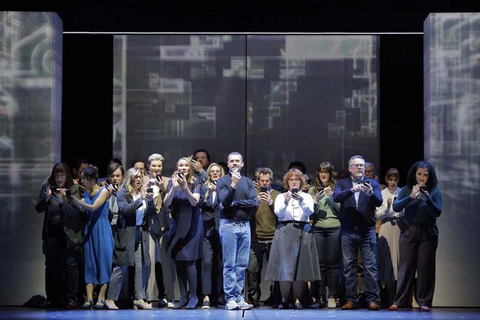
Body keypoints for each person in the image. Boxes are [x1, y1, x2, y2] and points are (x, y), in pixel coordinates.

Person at [389, 161, 442, 312]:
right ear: (414, 174)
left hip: (427, 233)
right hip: (409, 231)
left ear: (429, 176)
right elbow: (396, 206)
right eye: (419, 174)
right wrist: (411, 197)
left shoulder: (434, 191)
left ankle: (424, 301)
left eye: (425, 175)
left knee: (425, 268)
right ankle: (400, 300)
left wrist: (428, 200)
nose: (422, 177)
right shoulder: (407, 189)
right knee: (406, 267)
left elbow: (438, 211)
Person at [332, 155, 382, 310]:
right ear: (350, 168)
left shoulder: (372, 183)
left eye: (361, 165)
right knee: (349, 267)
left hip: (367, 231)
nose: (360, 168)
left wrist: (370, 194)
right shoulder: (342, 183)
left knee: (370, 267)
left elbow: (379, 201)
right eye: (356, 165)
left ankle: (372, 299)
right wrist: (351, 190)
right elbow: (336, 197)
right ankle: (351, 299)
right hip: (348, 231)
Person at [265, 169, 319, 310]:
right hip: (285, 231)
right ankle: (284, 299)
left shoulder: (306, 197)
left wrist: (300, 201)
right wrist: (287, 201)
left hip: (302, 230)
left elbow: (310, 212)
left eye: (296, 179)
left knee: (299, 269)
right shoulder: (282, 196)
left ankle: (297, 299)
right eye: (291, 179)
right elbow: (278, 213)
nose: (294, 181)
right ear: (287, 182)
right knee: (285, 269)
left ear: (300, 182)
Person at [104, 167, 157, 310]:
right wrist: (141, 200)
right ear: (130, 179)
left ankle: (139, 298)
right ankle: (110, 298)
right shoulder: (123, 193)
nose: (139, 180)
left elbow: (151, 214)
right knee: (121, 266)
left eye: (140, 177)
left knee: (141, 266)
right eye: (136, 177)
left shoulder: (142, 193)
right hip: (127, 232)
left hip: (141, 231)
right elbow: (125, 210)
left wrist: (150, 201)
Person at [35, 163, 84, 309]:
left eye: (62, 175)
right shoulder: (47, 188)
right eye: (56, 175)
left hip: (69, 233)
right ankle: (52, 298)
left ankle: (71, 298)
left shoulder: (73, 189)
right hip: (52, 233)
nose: (59, 178)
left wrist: (63, 202)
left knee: (70, 265)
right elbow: (38, 208)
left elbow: (76, 212)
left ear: (67, 176)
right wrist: (46, 199)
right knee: (51, 266)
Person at [217, 152, 258, 310]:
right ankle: (230, 298)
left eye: (237, 161)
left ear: (242, 164)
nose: (234, 163)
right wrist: (233, 185)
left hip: (245, 226)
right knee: (230, 265)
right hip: (229, 226)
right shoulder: (222, 181)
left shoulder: (248, 182)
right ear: (228, 164)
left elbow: (254, 203)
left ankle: (239, 296)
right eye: (231, 161)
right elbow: (225, 203)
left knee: (242, 264)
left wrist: (236, 202)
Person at [70, 165, 114, 310]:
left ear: (92, 179)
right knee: (89, 263)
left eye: (84, 178)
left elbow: (94, 207)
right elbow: (84, 209)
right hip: (90, 229)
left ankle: (101, 297)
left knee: (103, 262)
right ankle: (89, 298)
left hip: (102, 228)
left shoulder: (104, 191)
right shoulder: (86, 195)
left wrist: (78, 201)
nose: (82, 181)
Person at [164, 157, 204, 309]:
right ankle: (183, 296)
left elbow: (195, 201)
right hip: (177, 223)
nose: (183, 168)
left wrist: (185, 187)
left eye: (186, 165)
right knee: (178, 259)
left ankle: (193, 296)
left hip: (193, 224)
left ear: (190, 168)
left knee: (189, 260)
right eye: (180, 165)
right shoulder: (171, 182)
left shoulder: (196, 182)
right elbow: (167, 204)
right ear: (177, 167)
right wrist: (174, 188)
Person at [141, 153, 175, 308]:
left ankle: (167, 296)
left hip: (164, 225)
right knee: (149, 261)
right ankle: (147, 297)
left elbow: (170, 202)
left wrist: (163, 189)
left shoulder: (167, 181)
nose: (156, 168)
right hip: (148, 225)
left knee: (164, 262)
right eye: (153, 165)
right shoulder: (143, 181)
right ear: (149, 166)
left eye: (159, 166)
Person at [308, 162, 341, 309]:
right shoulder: (312, 190)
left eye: (326, 172)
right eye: (321, 171)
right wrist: (316, 200)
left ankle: (332, 296)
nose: (323, 174)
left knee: (333, 263)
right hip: (318, 229)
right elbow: (309, 213)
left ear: (330, 174)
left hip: (335, 228)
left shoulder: (337, 189)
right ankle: (320, 296)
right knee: (320, 263)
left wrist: (333, 197)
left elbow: (341, 210)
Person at [247, 167, 280, 307]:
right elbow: (246, 214)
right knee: (252, 269)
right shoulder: (252, 194)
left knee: (275, 270)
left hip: (274, 237)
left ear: (271, 181)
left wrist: (270, 203)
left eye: (267, 181)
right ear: (258, 181)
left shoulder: (278, 195)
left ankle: (275, 296)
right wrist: (256, 202)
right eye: (262, 181)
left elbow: (281, 214)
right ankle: (253, 296)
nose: (264, 183)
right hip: (255, 237)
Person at [376, 168, 403, 308]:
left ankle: (401, 298)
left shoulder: (402, 192)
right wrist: (387, 207)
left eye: (395, 180)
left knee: (400, 263)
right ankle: (389, 298)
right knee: (388, 265)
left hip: (400, 228)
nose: (393, 182)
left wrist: (398, 212)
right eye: (390, 179)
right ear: (386, 180)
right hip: (386, 227)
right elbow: (379, 215)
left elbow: (406, 210)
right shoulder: (382, 193)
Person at [200, 163, 225, 309]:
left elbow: (228, 205)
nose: (215, 174)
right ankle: (206, 296)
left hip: (222, 230)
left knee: (221, 264)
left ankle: (220, 295)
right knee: (207, 263)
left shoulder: (226, 188)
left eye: (218, 172)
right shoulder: (203, 188)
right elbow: (198, 205)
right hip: (206, 230)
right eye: (212, 172)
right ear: (209, 174)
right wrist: (207, 195)